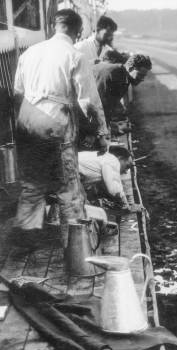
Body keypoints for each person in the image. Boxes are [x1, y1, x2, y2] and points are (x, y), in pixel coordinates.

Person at [12, 9, 108, 248]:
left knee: (32, 183)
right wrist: (101, 133)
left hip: (26, 121)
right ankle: (75, 245)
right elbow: (89, 102)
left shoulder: (30, 52)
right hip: (56, 124)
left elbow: (17, 93)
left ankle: (27, 238)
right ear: (78, 32)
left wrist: (26, 120)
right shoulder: (74, 55)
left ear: (55, 27)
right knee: (68, 186)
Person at [92, 54, 152, 126]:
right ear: (131, 69)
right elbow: (99, 105)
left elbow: (110, 105)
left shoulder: (123, 75)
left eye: (144, 76)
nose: (142, 79)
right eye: (140, 75)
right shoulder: (114, 74)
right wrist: (112, 128)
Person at [79, 145, 133, 210]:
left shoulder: (104, 158)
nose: (126, 172)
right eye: (127, 166)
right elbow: (113, 189)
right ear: (120, 158)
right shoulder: (113, 161)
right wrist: (125, 204)